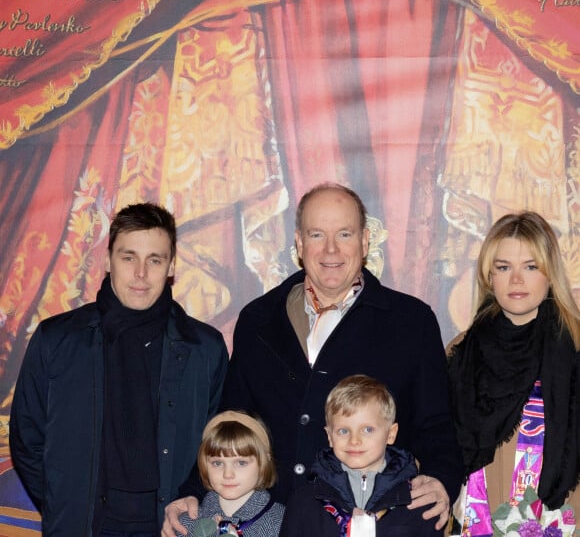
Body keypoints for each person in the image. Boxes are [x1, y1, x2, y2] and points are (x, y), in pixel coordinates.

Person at [163, 182, 463, 535]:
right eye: (317, 234)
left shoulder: (411, 322)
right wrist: (194, 493)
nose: (331, 249)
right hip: (269, 524)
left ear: (366, 241)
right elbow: (233, 424)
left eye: (345, 234)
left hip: (378, 523)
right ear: (300, 244)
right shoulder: (258, 320)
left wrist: (442, 480)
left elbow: (437, 426)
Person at [9, 202, 229, 537]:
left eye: (154, 260)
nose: (141, 273)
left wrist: (190, 499)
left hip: (168, 527)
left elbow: (218, 446)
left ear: (171, 265)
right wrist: (66, 502)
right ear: (108, 260)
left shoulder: (205, 349)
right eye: (129, 258)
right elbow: (27, 440)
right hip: (84, 525)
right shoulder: (56, 340)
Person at [447, 211, 580, 535]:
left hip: (560, 522)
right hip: (474, 523)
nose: (516, 280)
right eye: (503, 267)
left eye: (530, 266)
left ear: (550, 273)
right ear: (488, 275)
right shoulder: (459, 353)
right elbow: (436, 447)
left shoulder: (575, 349)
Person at [280, 374, 443, 536]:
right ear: (329, 436)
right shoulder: (303, 502)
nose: (354, 440)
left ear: (391, 434)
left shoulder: (418, 500)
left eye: (368, 430)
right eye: (343, 431)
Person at [177, 410, 285, 537]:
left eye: (241, 463)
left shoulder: (282, 522)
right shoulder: (186, 523)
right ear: (204, 465)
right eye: (217, 463)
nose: (228, 474)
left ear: (263, 463)